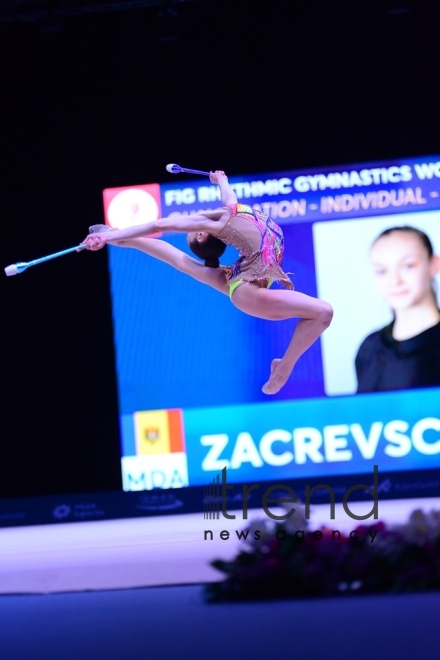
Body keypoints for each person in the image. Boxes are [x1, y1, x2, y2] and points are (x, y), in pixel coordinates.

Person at [84, 171, 333, 394]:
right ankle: (283, 369)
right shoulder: (214, 221)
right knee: (323, 312)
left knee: (181, 262)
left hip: (246, 286)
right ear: (203, 234)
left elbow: (228, 198)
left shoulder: (232, 212)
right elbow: (159, 225)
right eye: (193, 232)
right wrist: (112, 235)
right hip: (249, 293)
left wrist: (221, 180)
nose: (191, 227)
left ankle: (116, 237)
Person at [355, 225, 440, 393]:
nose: (395, 281)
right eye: (382, 271)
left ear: (433, 264)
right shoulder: (370, 348)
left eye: (408, 266)